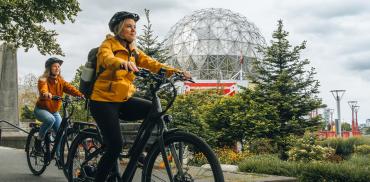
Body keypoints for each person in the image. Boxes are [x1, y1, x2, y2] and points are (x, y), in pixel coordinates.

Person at [89, 11, 191, 181]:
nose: (133, 30)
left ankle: (140, 151)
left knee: (153, 109)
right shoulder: (108, 45)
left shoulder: (134, 51)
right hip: (103, 101)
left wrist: (178, 72)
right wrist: (122, 63)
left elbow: (153, 64)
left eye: (135, 27)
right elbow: (107, 59)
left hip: (123, 100)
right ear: (119, 28)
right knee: (115, 146)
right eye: (129, 26)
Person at [34, 57, 84, 156]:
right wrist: (46, 93)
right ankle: (39, 139)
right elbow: (43, 87)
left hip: (54, 111)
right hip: (41, 109)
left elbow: (70, 88)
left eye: (58, 67)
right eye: (54, 66)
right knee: (50, 120)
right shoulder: (43, 79)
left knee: (61, 133)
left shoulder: (61, 81)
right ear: (49, 68)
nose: (57, 68)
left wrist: (80, 94)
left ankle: (59, 157)